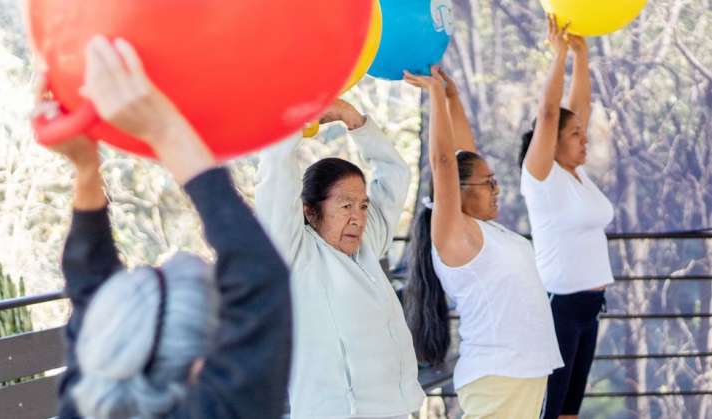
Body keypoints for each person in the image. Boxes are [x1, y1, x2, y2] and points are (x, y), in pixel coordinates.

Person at [41, 35, 292, 419]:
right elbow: (260, 276)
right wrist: (162, 129)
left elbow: (88, 288)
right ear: (199, 365)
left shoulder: (88, 402)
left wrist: (88, 169)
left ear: (102, 346)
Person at [402, 65, 562, 419]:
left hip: (522, 373)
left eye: (494, 181)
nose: (496, 189)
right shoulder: (455, 234)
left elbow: (462, 156)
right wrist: (435, 98)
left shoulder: (484, 229)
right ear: (456, 193)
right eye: (488, 183)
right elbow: (445, 161)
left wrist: (453, 98)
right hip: (498, 376)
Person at [254, 98, 425, 419]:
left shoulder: (367, 245)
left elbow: (395, 174)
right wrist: (294, 122)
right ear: (309, 210)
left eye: (362, 206)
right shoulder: (295, 254)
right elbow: (277, 175)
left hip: (396, 410)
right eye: (346, 206)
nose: (358, 217)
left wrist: (354, 120)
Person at [519, 15, 615, 419]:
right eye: (574, 134)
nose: (584, 137)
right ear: (550, 143)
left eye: (582, 132)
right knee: (550, 409)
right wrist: (558, 55)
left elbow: (581, 107)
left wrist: (582, 53)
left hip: (589, 308)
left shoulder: (577, 176)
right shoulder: (541, 178)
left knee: (570, 410)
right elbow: (548, 113)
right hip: (559, 305)